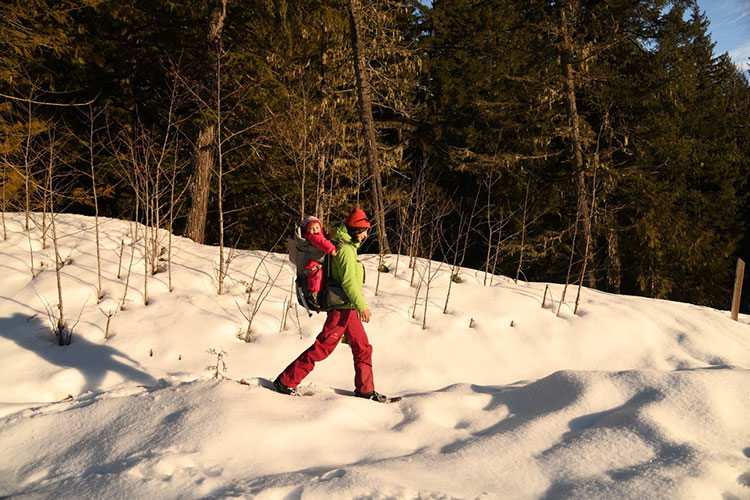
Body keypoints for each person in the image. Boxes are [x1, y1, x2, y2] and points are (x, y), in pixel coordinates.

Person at [274, 208, 389, 402]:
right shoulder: (344, 251)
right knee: (323, 348)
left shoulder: (349, 248)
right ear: (353, 230)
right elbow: (348, 283)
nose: (365, 234)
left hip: (348, 308)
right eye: (363, 230)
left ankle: (365, 390)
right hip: (341, 308)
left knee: (363, 348)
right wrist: (362, 306)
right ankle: (286, 381)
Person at [299, 216, 337, 310]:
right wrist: (332, 249)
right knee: (316, 277)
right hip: (313, 264)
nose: (315, 230)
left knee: (318, 278)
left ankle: (315, 294)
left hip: (313, 262)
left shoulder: (316, 236)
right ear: (308, 231)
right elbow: (322, 242)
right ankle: (313, 295)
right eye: (312, 228)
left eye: (317, 227)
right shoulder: (313, 237)